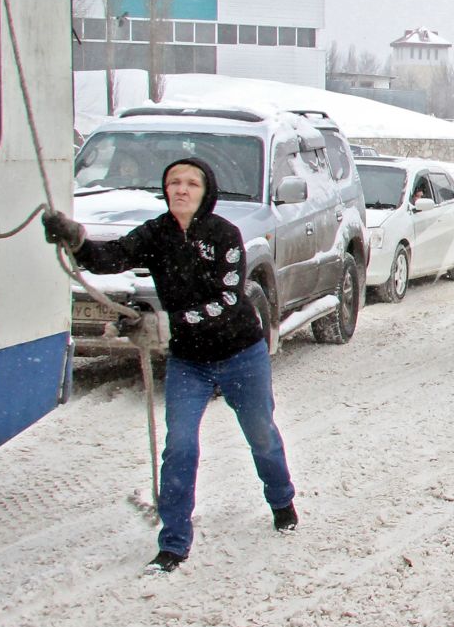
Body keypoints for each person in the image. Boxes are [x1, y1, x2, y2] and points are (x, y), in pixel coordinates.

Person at [43, 157, 298, 573]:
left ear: (206, 191)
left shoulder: (225, 235)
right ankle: (174, 542)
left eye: (191, 183)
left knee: (261, 434)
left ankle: (281, 498)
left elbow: (229, 299)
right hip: (190, 360)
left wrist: (166, 322)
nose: (181, 189)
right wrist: (77, 241)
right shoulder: (156, 233)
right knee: (179, 446)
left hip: (241, 354)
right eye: (173, 183)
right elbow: (108, 258)